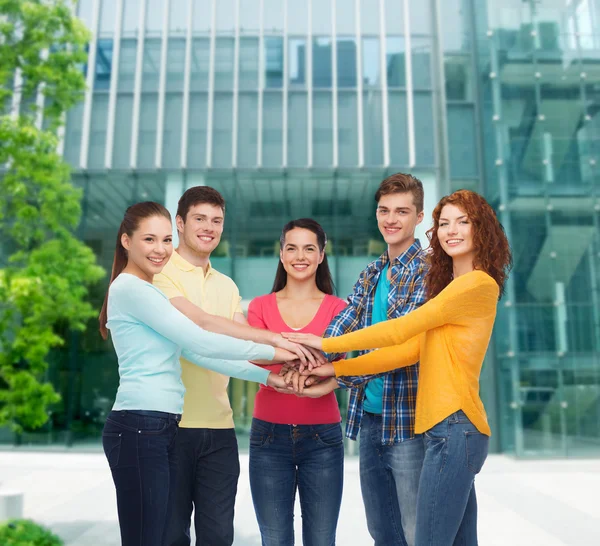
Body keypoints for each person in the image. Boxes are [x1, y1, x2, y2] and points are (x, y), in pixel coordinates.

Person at [284, 190, 512, 546]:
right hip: (445, 431)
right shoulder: (451, 288)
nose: (451, 230)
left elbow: (401, 328)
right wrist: (336, 372)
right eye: (445, 223)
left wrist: (325, 344)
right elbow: (406, 351)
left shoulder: (476, 284)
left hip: (456, 427)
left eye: (463, 222)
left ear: (480, 228)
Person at [98, 201, 296, 546]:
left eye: (165, 240)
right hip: (139, 424)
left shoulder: (149, 290)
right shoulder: (131, 288)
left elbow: (193, 352)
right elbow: (201, 338)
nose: (160, 250)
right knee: (148, 537)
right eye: (149, 240)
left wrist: (270, 376)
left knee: (155, 535)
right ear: (126, 241)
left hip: (156, 424)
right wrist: (280, 351)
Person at [153, 187, 320, 546]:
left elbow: (239, 347)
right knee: (168, 534)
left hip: (219, 430)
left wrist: (277, 373)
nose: (209, 228)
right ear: (180, 223)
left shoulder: (227, 285)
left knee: (218, 536)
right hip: (170, 426)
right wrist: (278, 342)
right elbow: (199, 332)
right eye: (199, 219)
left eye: (217, 221)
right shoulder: (159, 276)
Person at [292, 173, 429, 546]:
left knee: (417, 530)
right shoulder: (372, 272)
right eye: (384, 210)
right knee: (382, 531)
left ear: (419, 217)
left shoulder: (429, 272)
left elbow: (398, 347)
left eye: (402, 211)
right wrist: (305, 356)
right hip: (369, 419)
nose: (391, 219)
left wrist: (335, 373)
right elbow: (343, 324)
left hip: (409, 422)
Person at [246, 219, 348, 546]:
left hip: (323, 437)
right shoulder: (260, 306)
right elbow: (254, 355)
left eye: (308, 248)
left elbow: (345, 365)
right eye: (291, 248)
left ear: (321, 254)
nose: (299, 256)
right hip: (267, 436)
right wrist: (311, 354)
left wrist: (281, 353)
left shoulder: (339, 309)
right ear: (280, 253)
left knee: (321, 539)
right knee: (274, 539)